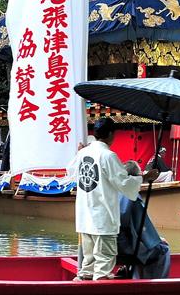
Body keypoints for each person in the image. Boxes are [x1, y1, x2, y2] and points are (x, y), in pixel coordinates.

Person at [66, 118, 156, 281]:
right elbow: (123, 182)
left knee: (88, 265)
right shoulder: (108, 155)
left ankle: (83, 290)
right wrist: (145, 177)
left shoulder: (83, 153)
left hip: (85, 217)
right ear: (110, 134)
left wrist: (80, 152)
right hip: (103, 217)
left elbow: (70, 172)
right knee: (103, 264)